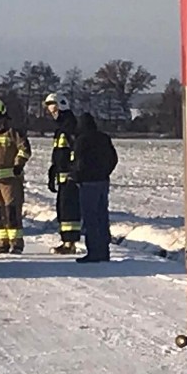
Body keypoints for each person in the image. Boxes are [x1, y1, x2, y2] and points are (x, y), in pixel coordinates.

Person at [0, 96, 32, 254]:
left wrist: (18, 165)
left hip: (10, 181)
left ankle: (16, 243)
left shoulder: (12, 133)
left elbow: (25, 150)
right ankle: (2, 242)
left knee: (12, 212)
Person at [71, 113, 118, 263]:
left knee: (90, 218)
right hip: (102, 181)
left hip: (88, 183)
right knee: (102, 216)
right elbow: (113, 158)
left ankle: (93, 252)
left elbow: (78, 161)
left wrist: (77, 177)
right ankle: (104, 251)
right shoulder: (104, 138)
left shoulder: (81, 140)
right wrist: (106, 172)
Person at [44, 93, 81, 254]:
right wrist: (53, 171)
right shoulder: (61, 128)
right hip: (62, 176)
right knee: (63, 209)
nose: (51, 113)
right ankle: (66, 240)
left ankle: (70, 244)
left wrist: (73, 172)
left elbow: (75, 151)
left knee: (69, 210)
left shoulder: (70, 127)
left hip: (70, 177)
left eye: (53, 109)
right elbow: (59, 154)